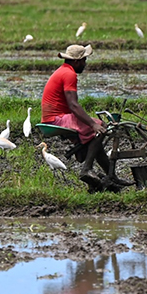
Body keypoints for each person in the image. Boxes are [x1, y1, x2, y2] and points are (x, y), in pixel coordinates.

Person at [41, 44, 112, 191]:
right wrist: (93, 124)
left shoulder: (63, 71)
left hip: (55, 117)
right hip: (56, 118)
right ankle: (87, 169)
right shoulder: (69, 74)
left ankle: (111, 176)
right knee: (100, 127)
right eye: (84, 60)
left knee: (96, 139)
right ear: (76, 61)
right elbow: (73, 105)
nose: (85, 64)